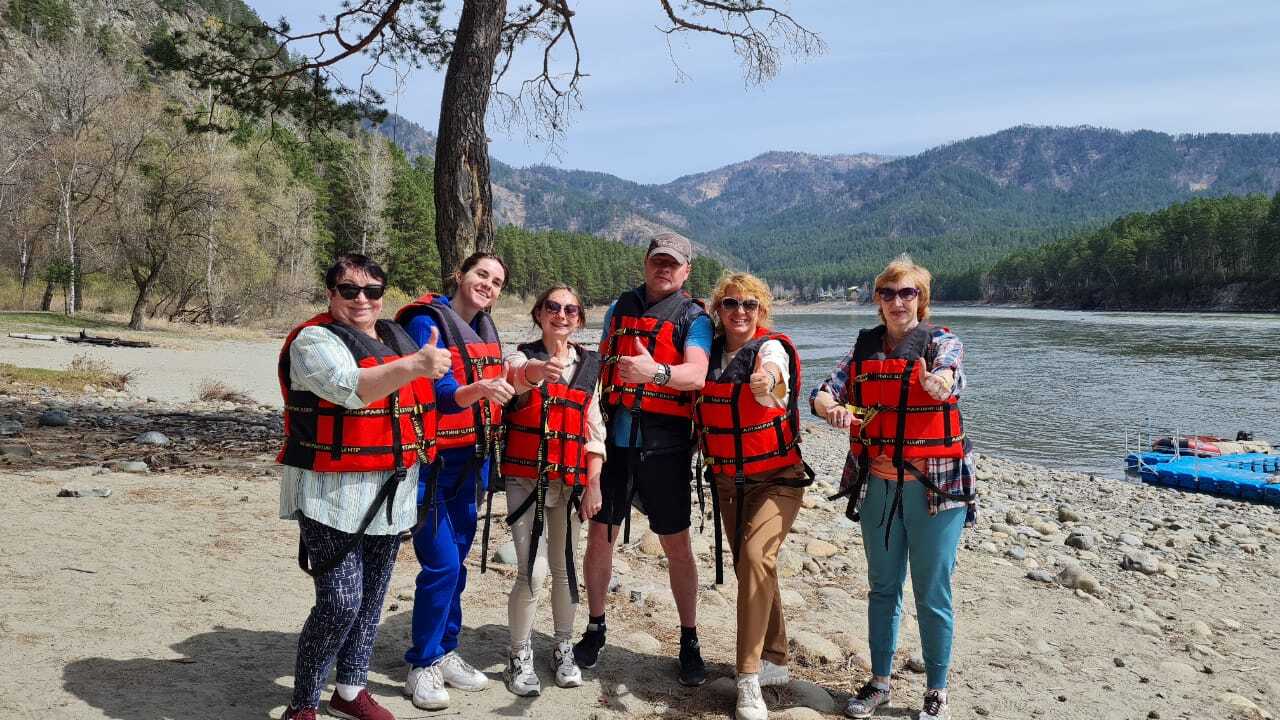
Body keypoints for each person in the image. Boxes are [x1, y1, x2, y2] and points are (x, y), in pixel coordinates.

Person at [278, 253, 453, 720]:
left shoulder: (394, 336)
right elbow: (348, 387)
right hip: (330, 492)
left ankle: (351, 691)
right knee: (340, 601)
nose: (362, 299)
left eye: (372, 291)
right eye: (349, 290)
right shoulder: (313, 341)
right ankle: (303, 703)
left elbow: (424, 398)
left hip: (392, 489)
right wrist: (417, 363)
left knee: (373, 597)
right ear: (330, 294)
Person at [810, 255, 977, 720]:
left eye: (908, 293)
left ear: (921, 300)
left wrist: (939, 383)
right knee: (883, 587)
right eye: (888, 293)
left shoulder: (942, 343)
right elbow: (823, 390)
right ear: (877, 300)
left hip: (937, 489)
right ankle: (880, 682)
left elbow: (950, 377)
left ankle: (937, 689)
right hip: (879, 485)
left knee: (932, 589)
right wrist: (830, 409)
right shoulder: (864, 350)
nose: (898, 301)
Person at [574, 231, 713, 686]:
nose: (664, 268)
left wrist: (656, 371)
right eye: (658, 260)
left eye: (673, 263)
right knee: (600, 536)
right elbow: (600, 367)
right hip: (616, 444)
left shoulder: (694, 317)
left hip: (666, 446)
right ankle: (595, 628)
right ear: (646, 262)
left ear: (686, 270)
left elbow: (696, 374)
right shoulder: (620, 308)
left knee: (676, 545)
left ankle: (689, 638)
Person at [394, 252, 516, 710]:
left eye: (497, 281)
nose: (488, 284)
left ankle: (445, 651)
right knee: (442, 564)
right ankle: (420, 664)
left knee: (457, 565)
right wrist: (479, 391)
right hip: (432, 465)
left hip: (471, 464)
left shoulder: (486, 329)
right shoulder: (428, 323)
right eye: (481, 274)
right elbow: (439, 393)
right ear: (460, 275)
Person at [694, 272, 812, 720]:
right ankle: (776, 657)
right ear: (718, 311)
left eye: (750, 305)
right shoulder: (705, 357)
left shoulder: (769, 348)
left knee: (756, 555)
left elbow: (775, 380)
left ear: (762, 311)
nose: (740, 312)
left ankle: (747, 679)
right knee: (753, 563)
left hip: (779, 477)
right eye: (730, 304)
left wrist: (770, 384)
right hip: (728, 480)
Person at [500, 284, 606, 696]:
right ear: (539, 313)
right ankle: (519, 653)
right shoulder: (522, 356)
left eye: (570, 310)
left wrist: (594, 482)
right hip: (526, 479)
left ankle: (563, 645)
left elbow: (593, 431)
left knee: (565, 569)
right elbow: (512, 379)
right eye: (552, 308)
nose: (561, 315)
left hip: (569, 482)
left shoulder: (588, 368)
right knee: (533, 569)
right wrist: (534, 374)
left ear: (579, 319)